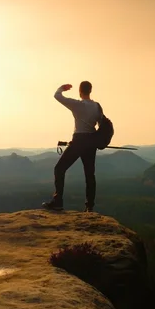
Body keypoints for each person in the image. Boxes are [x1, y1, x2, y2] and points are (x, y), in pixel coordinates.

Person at [42, 81, 102, 212]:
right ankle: (89, 207)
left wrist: (62, 88)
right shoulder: (97, 106)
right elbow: (102, 125)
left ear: (80, 91)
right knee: (90, 175)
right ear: (90, 91)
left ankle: (58, 202)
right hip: (91, 141)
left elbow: (57, 96)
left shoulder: (77, 105)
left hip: (79, 140)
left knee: (59, 169)